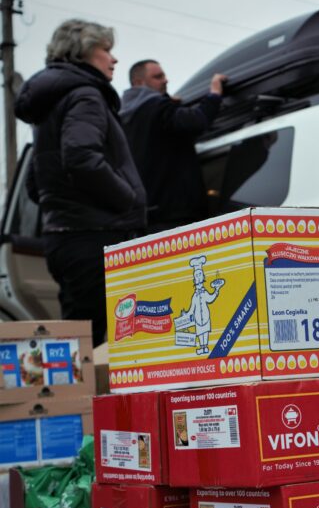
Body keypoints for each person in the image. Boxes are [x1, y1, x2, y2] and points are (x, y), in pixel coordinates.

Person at [15, 19, 147, 347]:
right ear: (83, 53)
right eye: (106, 50)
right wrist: (128, 199)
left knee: (77, 339)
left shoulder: (52, 103)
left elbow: (36, 180)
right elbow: (81, 157)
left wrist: (59, 205)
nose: (113, 59)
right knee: (92, 345)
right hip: (94, 237)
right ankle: (83, 400)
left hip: (64, 238)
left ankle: (75, 397)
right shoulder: (85, 95)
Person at [120, 59, 227, 231]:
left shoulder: (125, 120)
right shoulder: (156, 107)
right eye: (158, 76)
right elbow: (197, 121)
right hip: (178, 215)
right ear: (139, 83)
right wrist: (214, 94)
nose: (165, 80)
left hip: (147, 217)